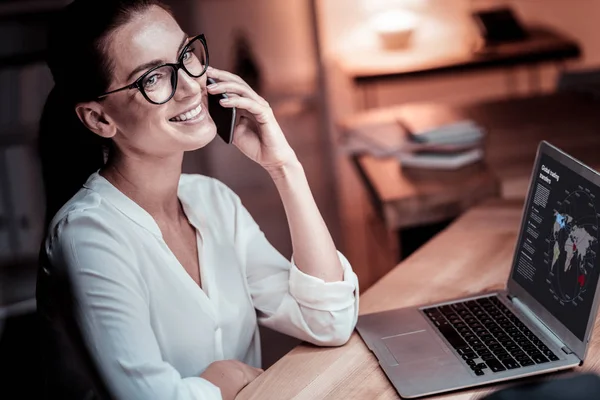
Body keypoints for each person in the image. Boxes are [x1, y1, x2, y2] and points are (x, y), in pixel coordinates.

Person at [36, 1, 359, 399]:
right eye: (152, 78)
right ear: (100, 119)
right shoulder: (88, 237)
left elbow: (329, 321)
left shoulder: (212, 201)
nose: (191, 85)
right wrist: (229, 377)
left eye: (186, 55)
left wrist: (285, 168)